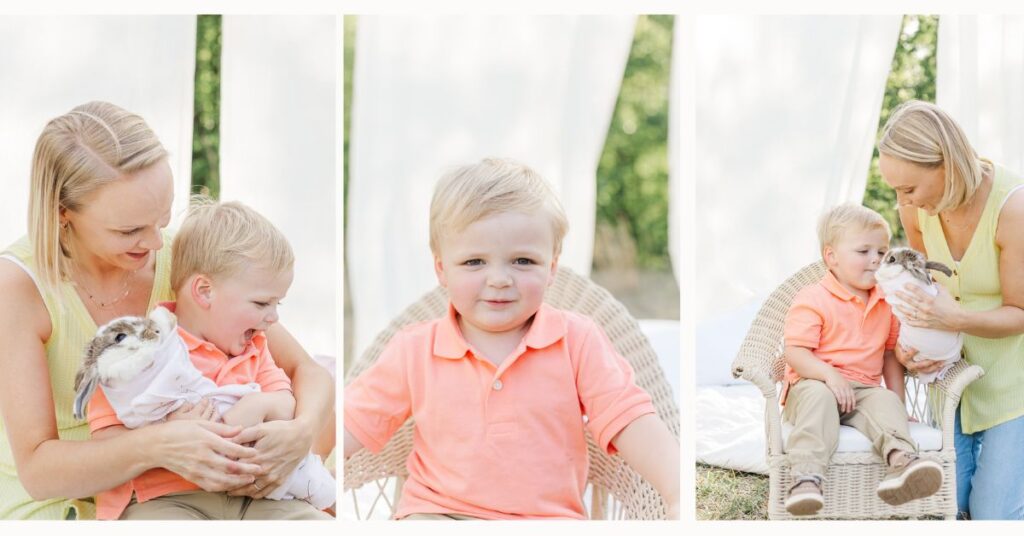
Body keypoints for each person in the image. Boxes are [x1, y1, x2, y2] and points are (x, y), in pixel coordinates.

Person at [0, 102, 334, 519]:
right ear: (63, 214)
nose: (157, 243)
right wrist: (162, 444)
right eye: (130, 230)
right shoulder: (18, 287)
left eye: (162, 218)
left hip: (203, 486)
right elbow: (38, 470)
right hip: (64, 498)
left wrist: (300, 434)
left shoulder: (185, 258)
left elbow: (308, 370)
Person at [343, 157, 680, 520]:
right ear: (441, 268)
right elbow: (353, 421)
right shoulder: (414, 350)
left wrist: (677, 494)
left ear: (551, 266)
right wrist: (309, 464)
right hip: (439, 514)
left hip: (547, 520)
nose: (500, 279)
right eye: (475, 262)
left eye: (522, 261)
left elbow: (629, 419)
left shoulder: (577, 342)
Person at [82, 200, 334, 519]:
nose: (272, 318)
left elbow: (286, 404)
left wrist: (261, 406)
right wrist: (164, 436)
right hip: (166, 498)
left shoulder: (255, 347)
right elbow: (106, 443)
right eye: (261, 303)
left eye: (277, 304)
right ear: (204, 292)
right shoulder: (143, 353)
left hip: (257, 497)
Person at [878, 100, 1024, 520]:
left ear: (947, 165)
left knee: (992, 514)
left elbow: (1020, 311)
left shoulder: (1013, 209)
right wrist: (908, 349)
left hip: (1013, 385)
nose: (903, 201)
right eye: (896, 191)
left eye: (909, 189)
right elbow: (924, 286)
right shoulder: (916, 209)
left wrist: (954, 319)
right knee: (948, 505)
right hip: (951, 378)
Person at [781, 204, 942, 516]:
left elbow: (889, 356)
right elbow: (795, 353)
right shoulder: (812, 298)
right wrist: (830, 376)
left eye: (882, 252)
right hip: (813, 384)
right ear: (832, 257)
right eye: (864, 251)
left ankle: (901, 462)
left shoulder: (886, 300)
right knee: (817, 398)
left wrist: (897, 403)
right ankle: (806, 478)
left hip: (863, 391)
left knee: (884, 402)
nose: (875, 259)